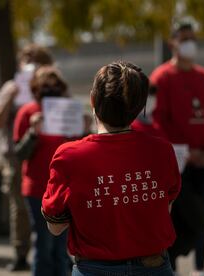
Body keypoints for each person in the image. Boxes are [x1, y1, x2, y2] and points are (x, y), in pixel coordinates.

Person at [41, 61, 181, 276]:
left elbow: (55, 226)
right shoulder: (162, 150)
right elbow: (166, 207)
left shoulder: (69, 156)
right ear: (140, 106)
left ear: (92, 100)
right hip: (154, 266)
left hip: (94, 269)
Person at [149, 23, 204, 275]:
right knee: (176, 219)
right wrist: (183, 152)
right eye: (184, 39)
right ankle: (173, 268)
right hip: (178, 164)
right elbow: (157, 122)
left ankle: (200, 268)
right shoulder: (160, 78)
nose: (189, 43)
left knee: (203, 214)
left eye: (192, 38)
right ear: (173, 43)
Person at [0, 44, 53, 271]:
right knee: (19, 206)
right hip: (17, 156)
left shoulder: (54, 86)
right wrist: (11, 97)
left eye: (37, 59)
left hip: (49, 156)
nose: (31, 63)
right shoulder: (11, 87)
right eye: (27, 58)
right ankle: (20, 252)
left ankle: (53, 254)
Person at [12, 66, 72, 276]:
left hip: (65, 189)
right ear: (35, 87)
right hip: (37, 189)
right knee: (44, 244)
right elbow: (19, 153)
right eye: (45, 85)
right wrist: (32, 133)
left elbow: (78, 148)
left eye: (55, 84)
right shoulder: (27, 112)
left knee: (62, 247)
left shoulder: (67, 112)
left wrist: (83, 129)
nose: (50, 89)